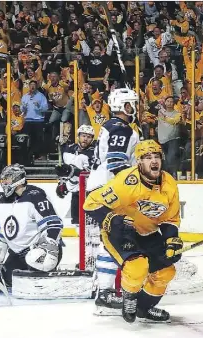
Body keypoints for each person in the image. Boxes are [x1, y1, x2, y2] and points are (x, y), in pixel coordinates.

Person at [83, 140, 181, 323]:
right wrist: (111, 219)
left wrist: (172, 240)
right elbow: (90, 203)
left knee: (166, 272)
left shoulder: (169, 184)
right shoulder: (126, 183)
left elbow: (169, 219)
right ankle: (129, 299)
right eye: (148, 157)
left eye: (157, 156)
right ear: (139, 162)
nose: (154, 161)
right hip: (120, 232)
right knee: (137, 267)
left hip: (147, 232)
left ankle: (143, 308)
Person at [85, 88, 141, 315]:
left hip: (103, 188)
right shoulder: (120, 127)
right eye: (132, 104)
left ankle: (105, 289)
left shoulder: (113, 126)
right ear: (124, 106)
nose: (135, 107)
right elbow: (116, 164)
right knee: (114, 237)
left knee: (112, 237)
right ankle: (105, 292)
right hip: (109, 189)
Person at [0, 165, 63, 293]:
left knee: (33, 277)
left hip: (37, 251)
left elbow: (53, 224)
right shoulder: (2, 202)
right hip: (17, 254)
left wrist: (50, 248)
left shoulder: (35, 196)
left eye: (7, 179)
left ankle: (47, 271)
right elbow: (2, 233)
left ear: (18, 179)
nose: (4, 182)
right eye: (3, 179)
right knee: (3, 281)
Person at [55, 125, 98, 225]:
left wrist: (72, 171)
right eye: (83, 136)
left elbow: (90, 173)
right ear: (78, 136)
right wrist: (61, 183)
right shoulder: (69, 149)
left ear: (92, 139)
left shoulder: (94, 152)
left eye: (89, 137)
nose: (85, 139)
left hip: (89, 192)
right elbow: (64, 170)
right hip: (75, 192)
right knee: (76, 223)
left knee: (89, 224)